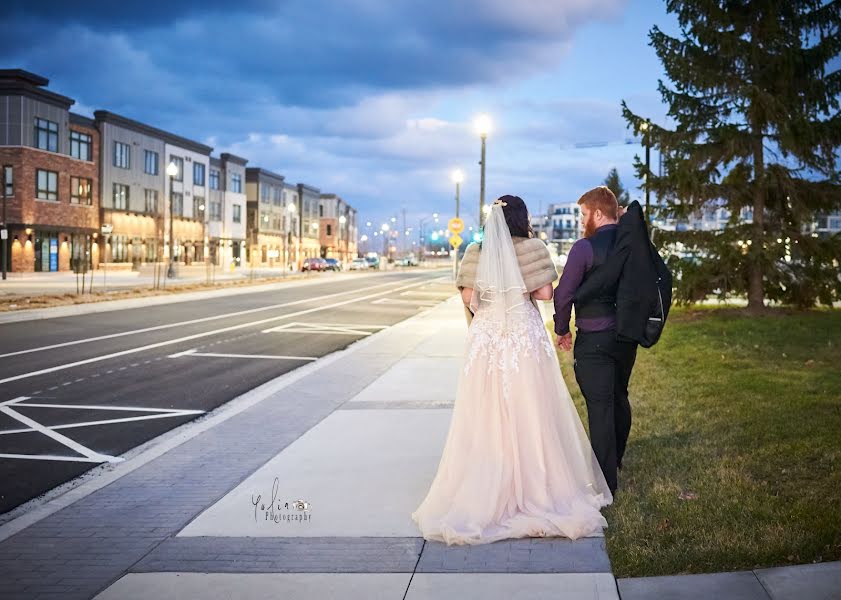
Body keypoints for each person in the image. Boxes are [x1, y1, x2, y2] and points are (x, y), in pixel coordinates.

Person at [410, 195, 612, 546]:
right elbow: (546, 293)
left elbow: (466, 296)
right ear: (522, 218)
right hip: (522, 333)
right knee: (530, 407)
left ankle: (484, 483)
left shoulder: (477, 251)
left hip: (488, 336)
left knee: (486, 411)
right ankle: (539, 488)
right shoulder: (533, 247)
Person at [553, 186, 638, 495]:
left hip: (595, 340)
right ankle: (615, 459)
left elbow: (563, 293)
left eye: (584, 214)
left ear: (598, 214)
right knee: (619, 396)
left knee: (600, 407)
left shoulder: (584, 249)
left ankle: (605, 485)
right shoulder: (633, 245)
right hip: (627, 338)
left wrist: (562, 327)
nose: (581, 221)